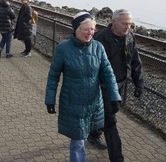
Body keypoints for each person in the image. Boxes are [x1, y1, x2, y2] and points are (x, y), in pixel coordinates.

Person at [45, 12, 121, 162]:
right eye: (86, 29)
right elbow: (53, 76)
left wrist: (115, 96)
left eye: (93, 29)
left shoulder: (98, 47)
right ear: (76, 30)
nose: (90, 33)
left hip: (94, 103)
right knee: (78, 142)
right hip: (73, 103)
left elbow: (108, 73)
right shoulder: (63, 48)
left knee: (88, 136)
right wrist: (50, 99)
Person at [88, 9, 144, 162]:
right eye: (125, 24)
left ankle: (93, 134)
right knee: (110, 121)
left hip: (120, 85)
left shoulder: (130, 38)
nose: (128, 27)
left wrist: (139, 83)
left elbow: (135, 62)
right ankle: (117, 157)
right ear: (114, 22)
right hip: (103, 87)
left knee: (110, 113)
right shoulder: (100, 39)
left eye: (130, 24)